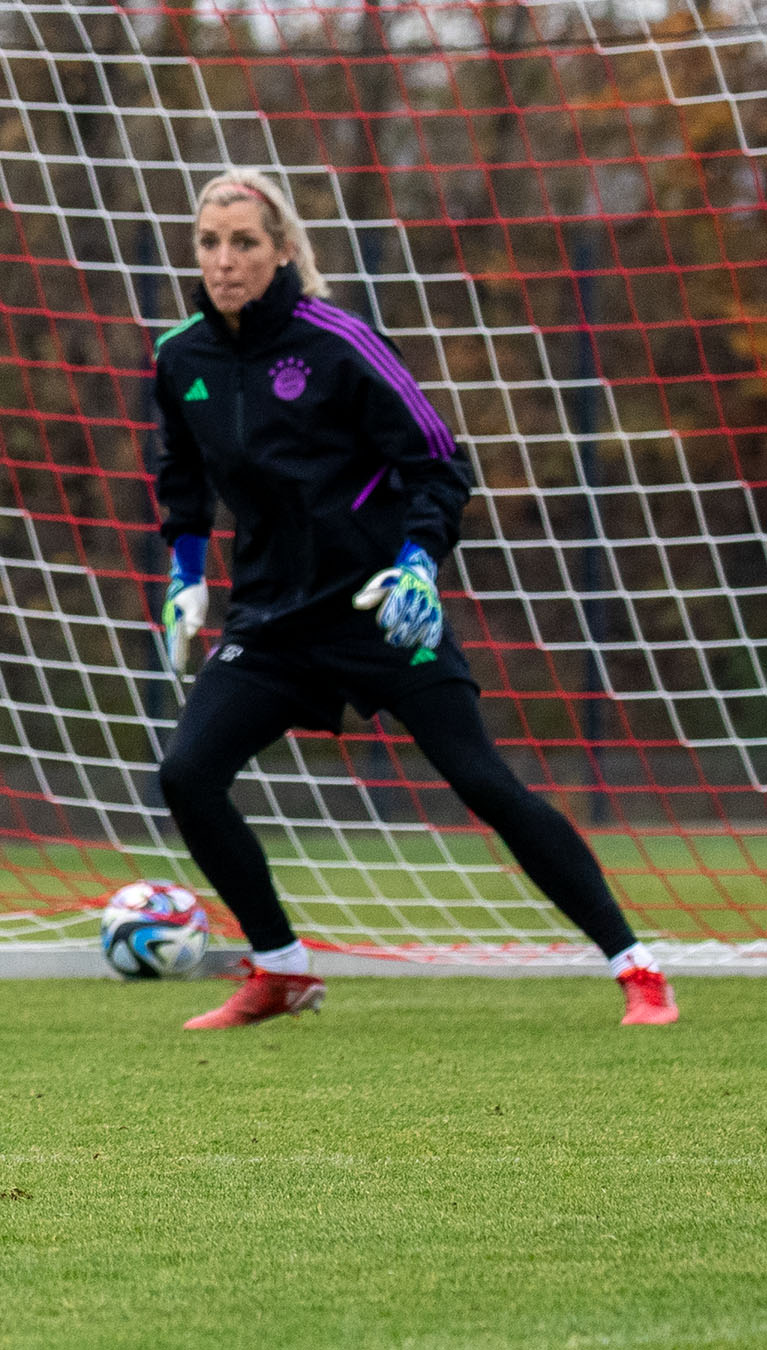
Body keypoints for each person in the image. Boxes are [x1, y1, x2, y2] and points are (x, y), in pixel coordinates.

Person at [151, 167, 677, 1029]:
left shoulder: (337, 341)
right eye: (209, 242)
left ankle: (636, 968)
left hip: (380, 611)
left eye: (243, 241)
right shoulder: (182, 356)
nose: (223, 260)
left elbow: (438, 466)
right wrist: (183, 574)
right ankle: (280, 968)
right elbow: (179, 478)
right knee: (187, 773)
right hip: (274, 623)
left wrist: (416, 564)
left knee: (482, 783)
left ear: (282, 250)